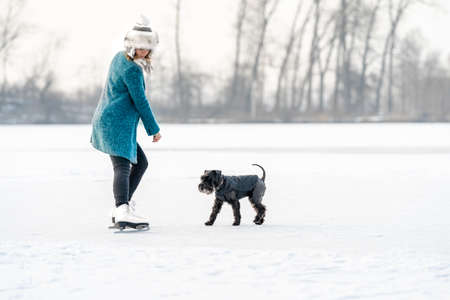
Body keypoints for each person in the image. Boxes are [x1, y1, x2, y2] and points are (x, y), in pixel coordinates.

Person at [90, 15, 161, 227]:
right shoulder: (132, 69)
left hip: (111, 121)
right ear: (131, 45)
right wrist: (153, 129)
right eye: (139, 47)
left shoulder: (119, 58)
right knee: (122, 166)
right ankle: (122, 209)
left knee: (140, 163)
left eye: (147, 48)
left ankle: (121, 208)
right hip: (116, 124)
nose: (144, 52)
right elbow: (141, 102)